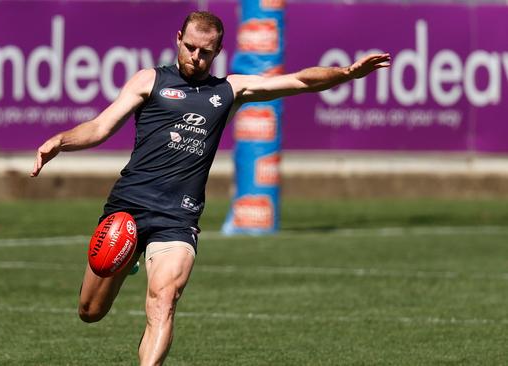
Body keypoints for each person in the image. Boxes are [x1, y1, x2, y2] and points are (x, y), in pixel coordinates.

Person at [31, 11, 390, 366]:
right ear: (178, 39)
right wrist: (61, 141)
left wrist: (346, 74)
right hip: (127, 208)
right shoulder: (149, 80)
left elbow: (298, 81)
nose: (196, 57)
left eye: (205, 51)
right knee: (89, 311)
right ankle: (129, 258)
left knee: (164, 298)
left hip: (177, 216)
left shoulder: (229, 90)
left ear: (217, 51)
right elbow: (100, 126)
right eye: (189, 47)